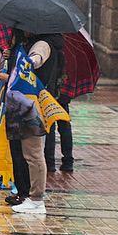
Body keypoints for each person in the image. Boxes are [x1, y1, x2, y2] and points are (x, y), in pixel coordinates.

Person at [5, 34, 56, 214]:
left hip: (31, 107)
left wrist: (31, 60)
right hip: (19, 105)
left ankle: (37, 199)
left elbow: (38, 56)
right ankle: (29, 196)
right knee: (26, 154)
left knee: (33, 154)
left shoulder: (43, 43)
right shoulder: (22, 45)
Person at [38, 33, 74, 174]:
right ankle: (68, 161)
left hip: (50, 92)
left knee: (50, 127)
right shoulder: (65, 47)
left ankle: (50, 162)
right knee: (65, 126)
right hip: (63, 92)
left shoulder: (46, 46)